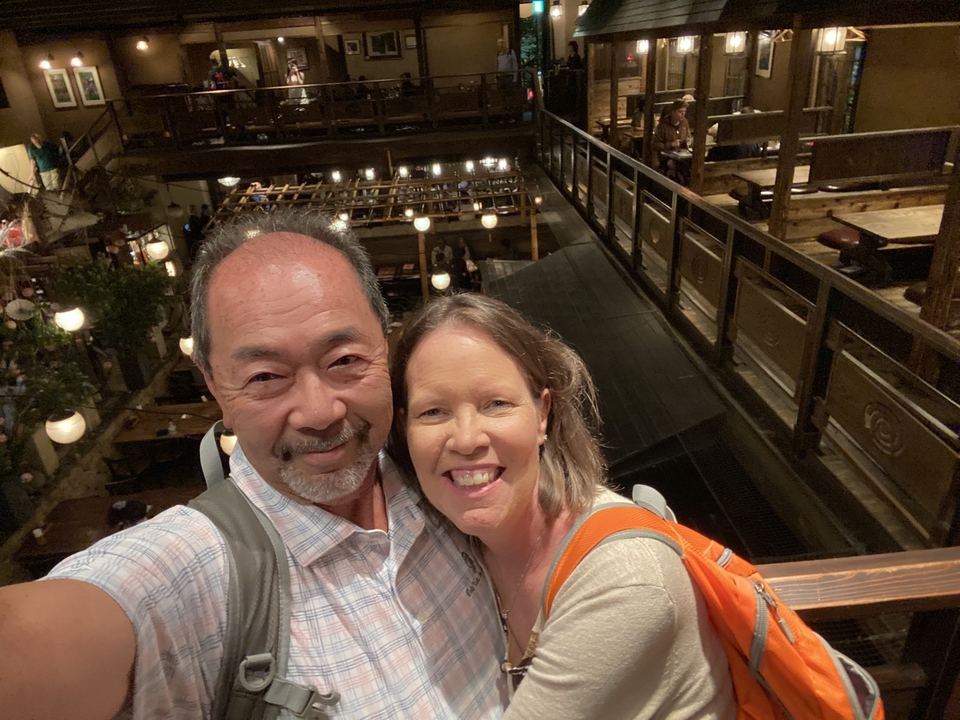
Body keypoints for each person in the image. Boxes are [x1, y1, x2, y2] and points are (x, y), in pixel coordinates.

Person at [0, 209, 507, 720]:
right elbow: (36, 640)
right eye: (265, 376)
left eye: (345, 360)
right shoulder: (194, 574)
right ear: (214, 384)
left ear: (385, 341)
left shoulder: (445, 475)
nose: (318, 412)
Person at [388, 294, 736, 720]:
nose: (466, 439)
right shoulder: (462, 545)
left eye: (496, 404)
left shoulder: (624, 579)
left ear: (542, 415)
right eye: (433, 411)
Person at [651, 100, 691, 182]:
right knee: (678, 167)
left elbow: (688, 136)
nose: (683, 114)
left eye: (684, 111)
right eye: (680, 111)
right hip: (666, 157)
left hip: (682, 155)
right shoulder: (662, 126)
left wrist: (688, 141)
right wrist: (671, 144)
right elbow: (655, 145)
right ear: (673, 112)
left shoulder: (685, 122)